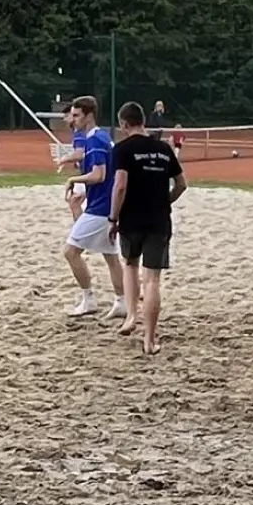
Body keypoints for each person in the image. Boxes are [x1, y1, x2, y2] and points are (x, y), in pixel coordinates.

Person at [108, 102, 187, 355]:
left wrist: (113, 217)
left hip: (131, 219)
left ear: (123, 124)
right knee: (152, 280)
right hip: (159, 220)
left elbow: (120, 185)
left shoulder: (122, 149)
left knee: (130, 264)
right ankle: (149, 340)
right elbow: (182, 184)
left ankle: (131, 316)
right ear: (143, 121)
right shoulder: (164, 148)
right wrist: (167, 201)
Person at [60, 95, 126, 319]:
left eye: (77, 115)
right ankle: (122, 301)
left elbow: (99, 175)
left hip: (100, 207)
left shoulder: (95, 140)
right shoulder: (102, 137)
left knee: (71, 252)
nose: (73, 119)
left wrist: (74, 180)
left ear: (88, 115)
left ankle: (88, 298)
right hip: (108, 205)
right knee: (110, 255)